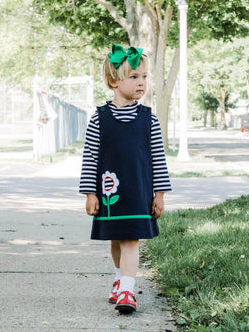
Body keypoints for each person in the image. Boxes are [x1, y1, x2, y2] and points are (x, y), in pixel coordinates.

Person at [79, 44, 171, 313]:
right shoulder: (100, 119)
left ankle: (128, 292)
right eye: (134, 77)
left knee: (131, 240)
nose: (141, 82)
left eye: (144, 76)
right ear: (113, 81)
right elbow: (90, 158)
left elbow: (158, 158)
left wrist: (160, 194)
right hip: (109, 194)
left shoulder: (148, 119)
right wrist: (90, 193)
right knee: (117, 240)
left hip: (139, 192)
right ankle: (120, 280)